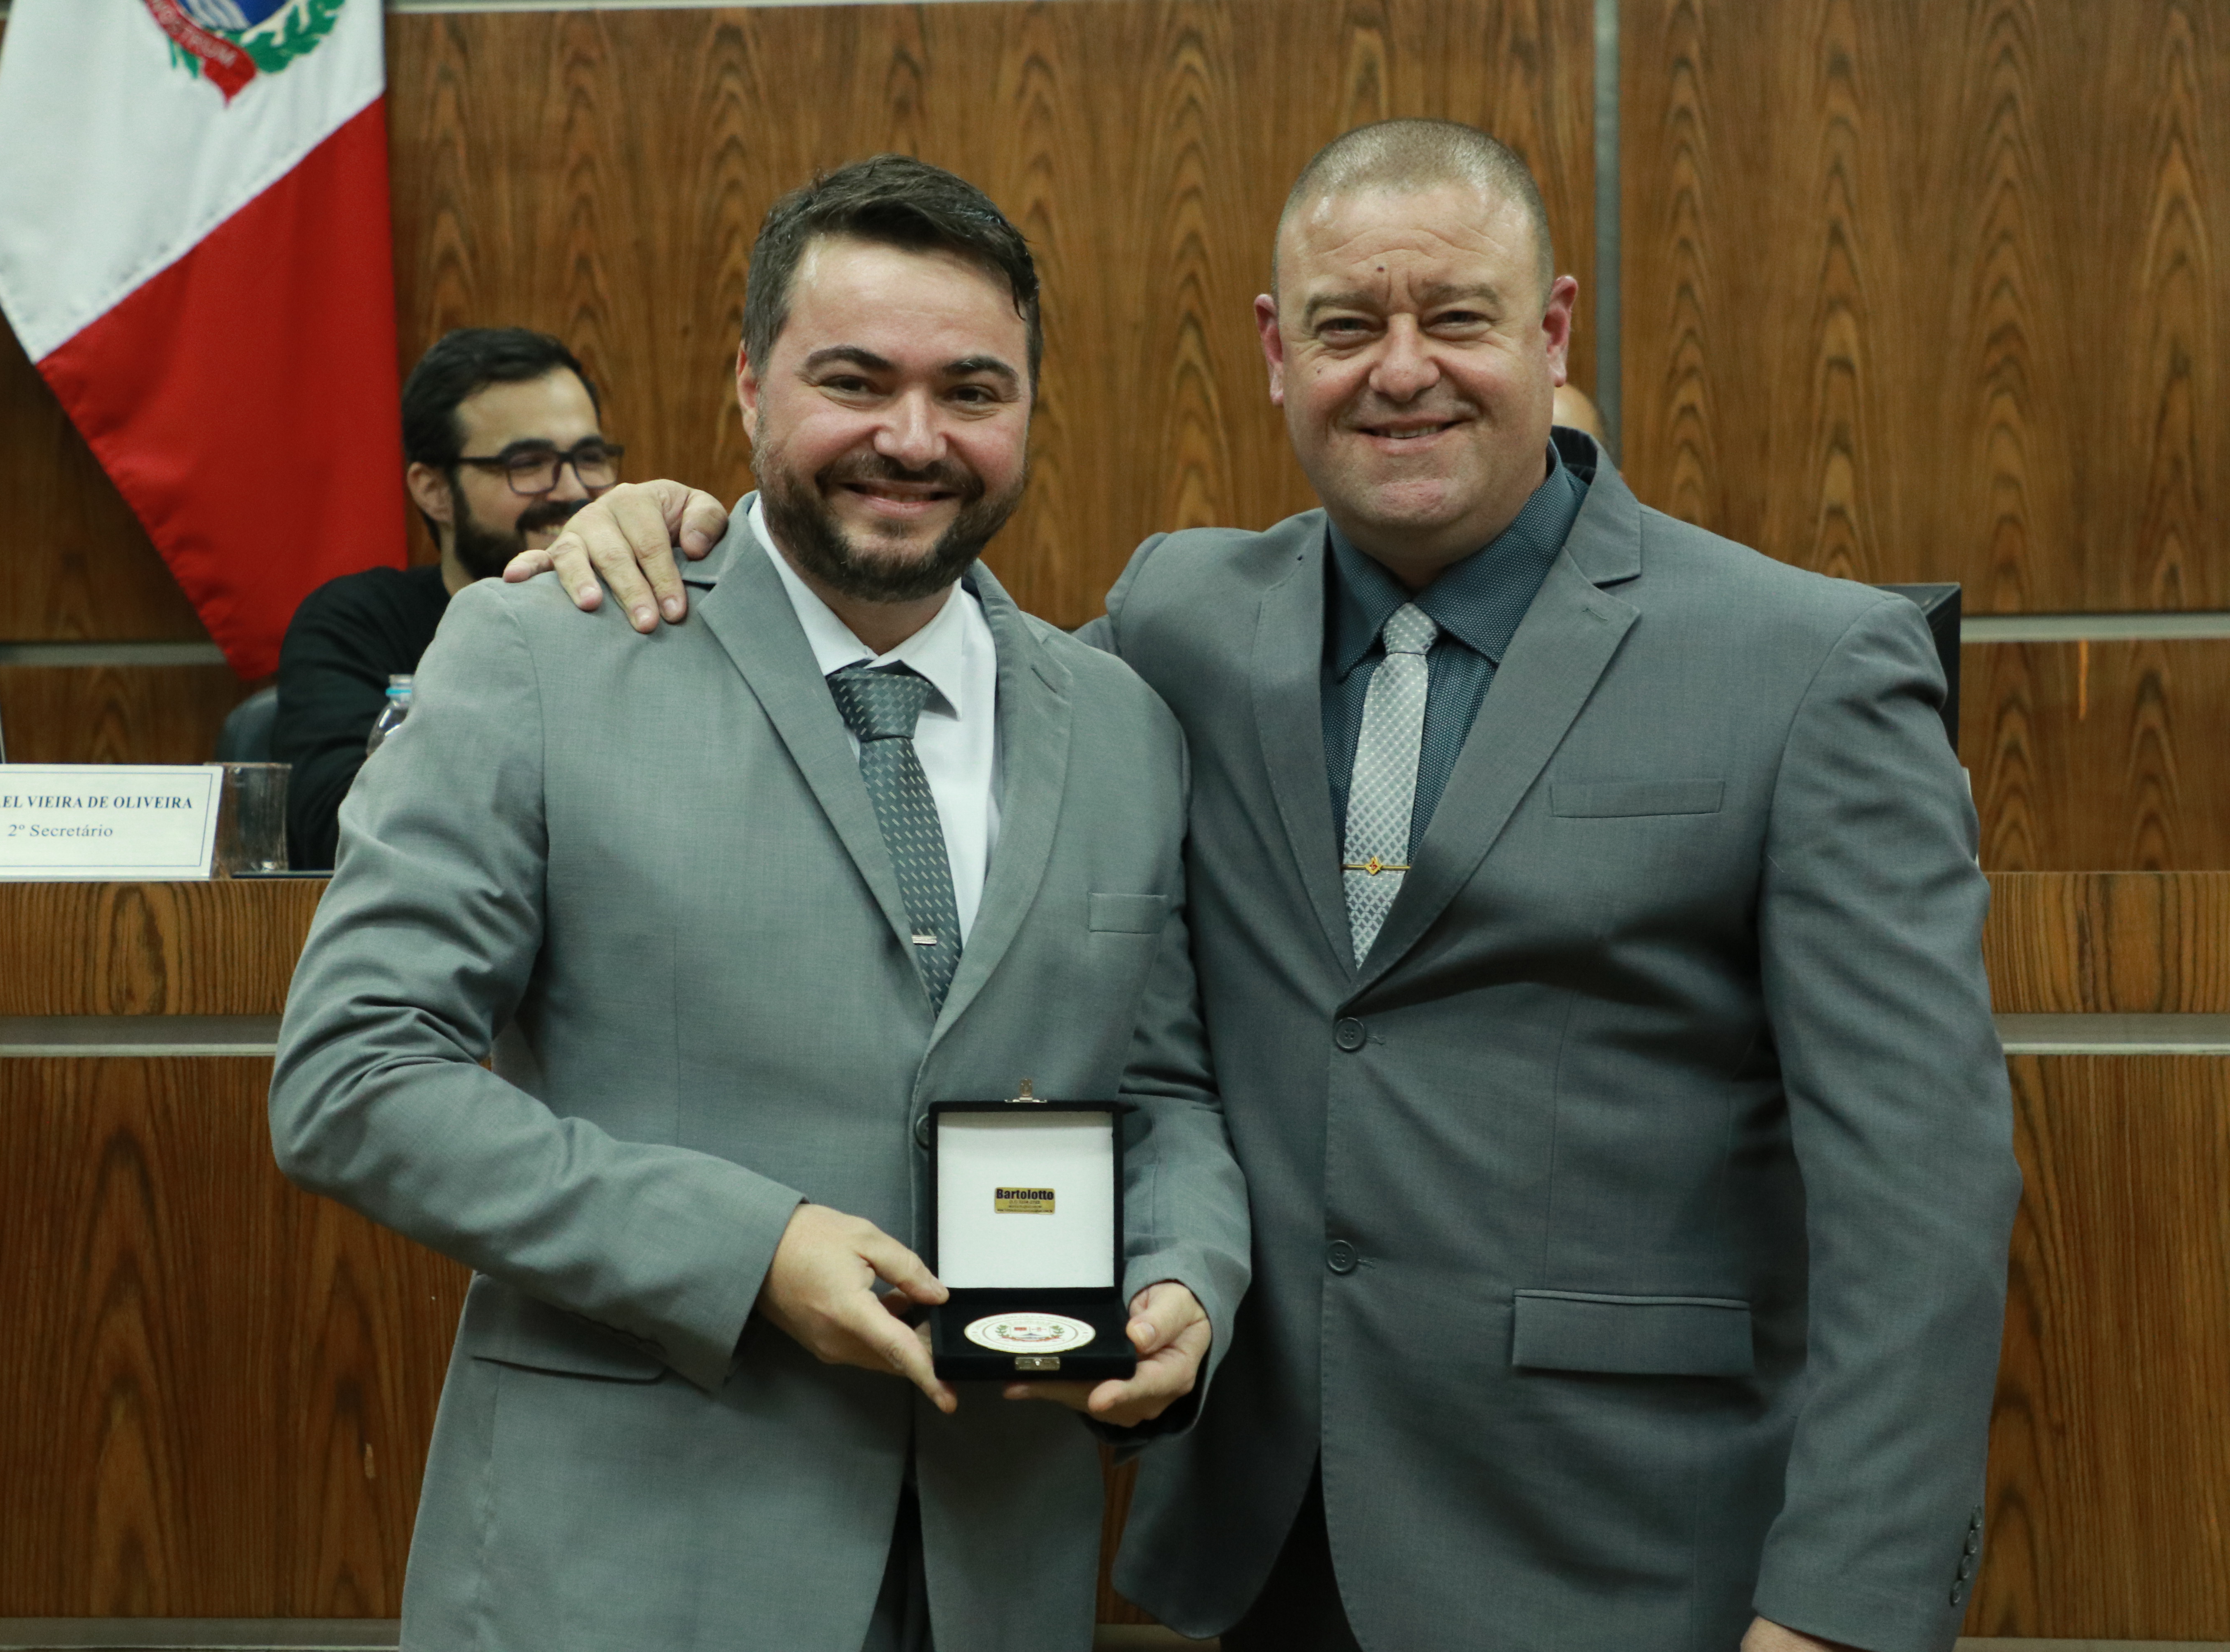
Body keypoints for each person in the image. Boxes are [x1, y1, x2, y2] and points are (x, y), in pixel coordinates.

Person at [518, 119, 2018, 1652]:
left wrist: (1842, 1614)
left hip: (1636, 1559)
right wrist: (692, 533)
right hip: (1259, 1549)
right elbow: (905, 669)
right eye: (1348, 325)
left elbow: (1924, 1196)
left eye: (1458, 317)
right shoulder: (1180, 621)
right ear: (1274, 351)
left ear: (1554, 327)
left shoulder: (1808, 661)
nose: (1402, 369)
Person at [269, 155, 1248, 1652]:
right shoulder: (539, 655)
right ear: (745, 384)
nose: (912, 439)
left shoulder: (1121, 723)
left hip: (1005, 1560)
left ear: (1032, 407)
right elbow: (352, 1082)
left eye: (973, 391)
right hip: (626, 1568)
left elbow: (1164, 1087)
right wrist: (750, 1249)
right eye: (854, 380)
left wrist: (1191, 1275)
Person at [270, 326, 622, 868]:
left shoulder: (651, 611)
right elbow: (339, 832)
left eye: (591, 457)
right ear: (433, 491)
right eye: (527, 464)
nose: (574, 489)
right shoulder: (358, 623)